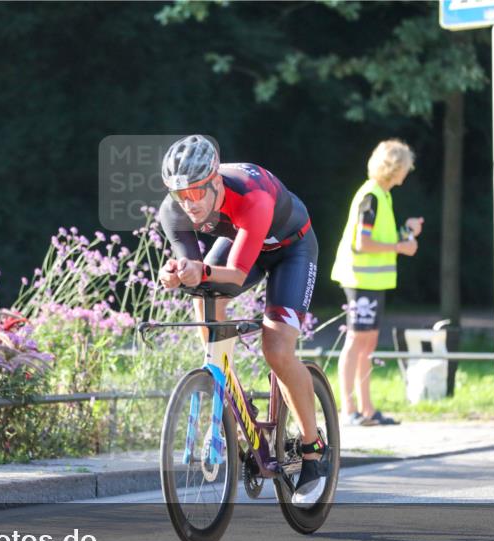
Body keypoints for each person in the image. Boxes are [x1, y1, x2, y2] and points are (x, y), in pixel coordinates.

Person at [155, 134, 325, 505]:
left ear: (216, 182)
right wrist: (176, 271)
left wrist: (197, 272)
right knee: (203, 295)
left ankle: (313, 449)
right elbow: (193, 271)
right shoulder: (174, 210)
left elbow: (232, 275)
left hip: (290, 250)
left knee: (277, 348)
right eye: (180, 195)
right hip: (242, 242)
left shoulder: (253, 196)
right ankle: (225, 384)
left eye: (197, 193)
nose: (189, 204)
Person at [330, 139, 424, 426]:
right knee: (356, 340)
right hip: (360, 280)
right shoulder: (370, 195)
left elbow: (378, 236)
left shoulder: (382, 195)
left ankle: (367, 409)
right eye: (405, 166)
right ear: (394, 167)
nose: (408, 171)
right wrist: (400, 246)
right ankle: (348, 410)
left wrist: (404, 232)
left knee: (367, 342)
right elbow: (363, 243)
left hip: (373, 281)